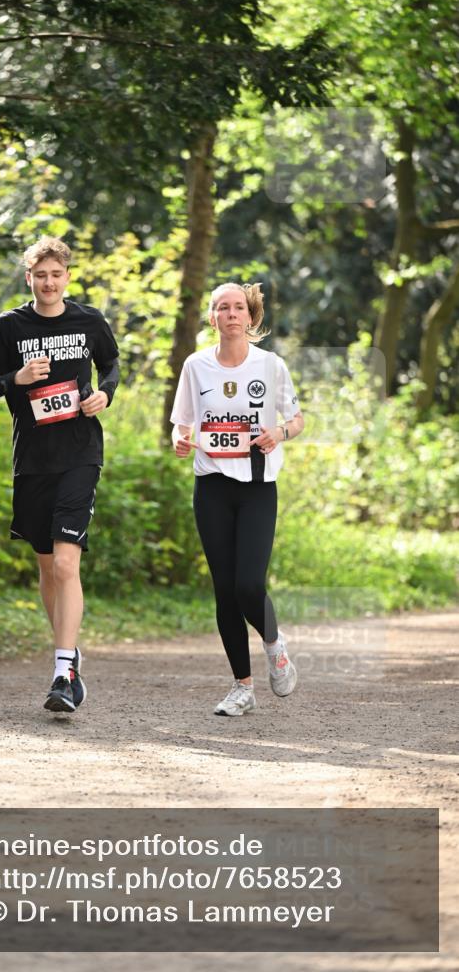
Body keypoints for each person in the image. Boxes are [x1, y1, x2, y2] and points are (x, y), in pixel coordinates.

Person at [0, 236, 119, 714]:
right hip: (33, 461)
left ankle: (62, 672)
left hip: (81, 454)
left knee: (65, 564)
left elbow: (112, 365)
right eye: (41, 275)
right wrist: (16, 379)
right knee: (45, 568)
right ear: (29, 279)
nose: (49, 282)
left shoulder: (89, 321)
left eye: (57, 274)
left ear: (67, 278)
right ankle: (70, 649)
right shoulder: (8, 326)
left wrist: (104, 394)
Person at [171, 282, 303, 717]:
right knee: (225, 592)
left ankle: (274, 644)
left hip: (257, 485)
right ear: (212, 317)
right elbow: (182, 423)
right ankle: (241, 687)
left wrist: (278, 432)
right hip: (211, 486)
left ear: (251, 317)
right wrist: (181, 440)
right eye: (221, 308)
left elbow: (297, 419)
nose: (230, 314)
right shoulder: (195, 366)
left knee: (249, 583)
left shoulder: (271, 365)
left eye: (238, 307)